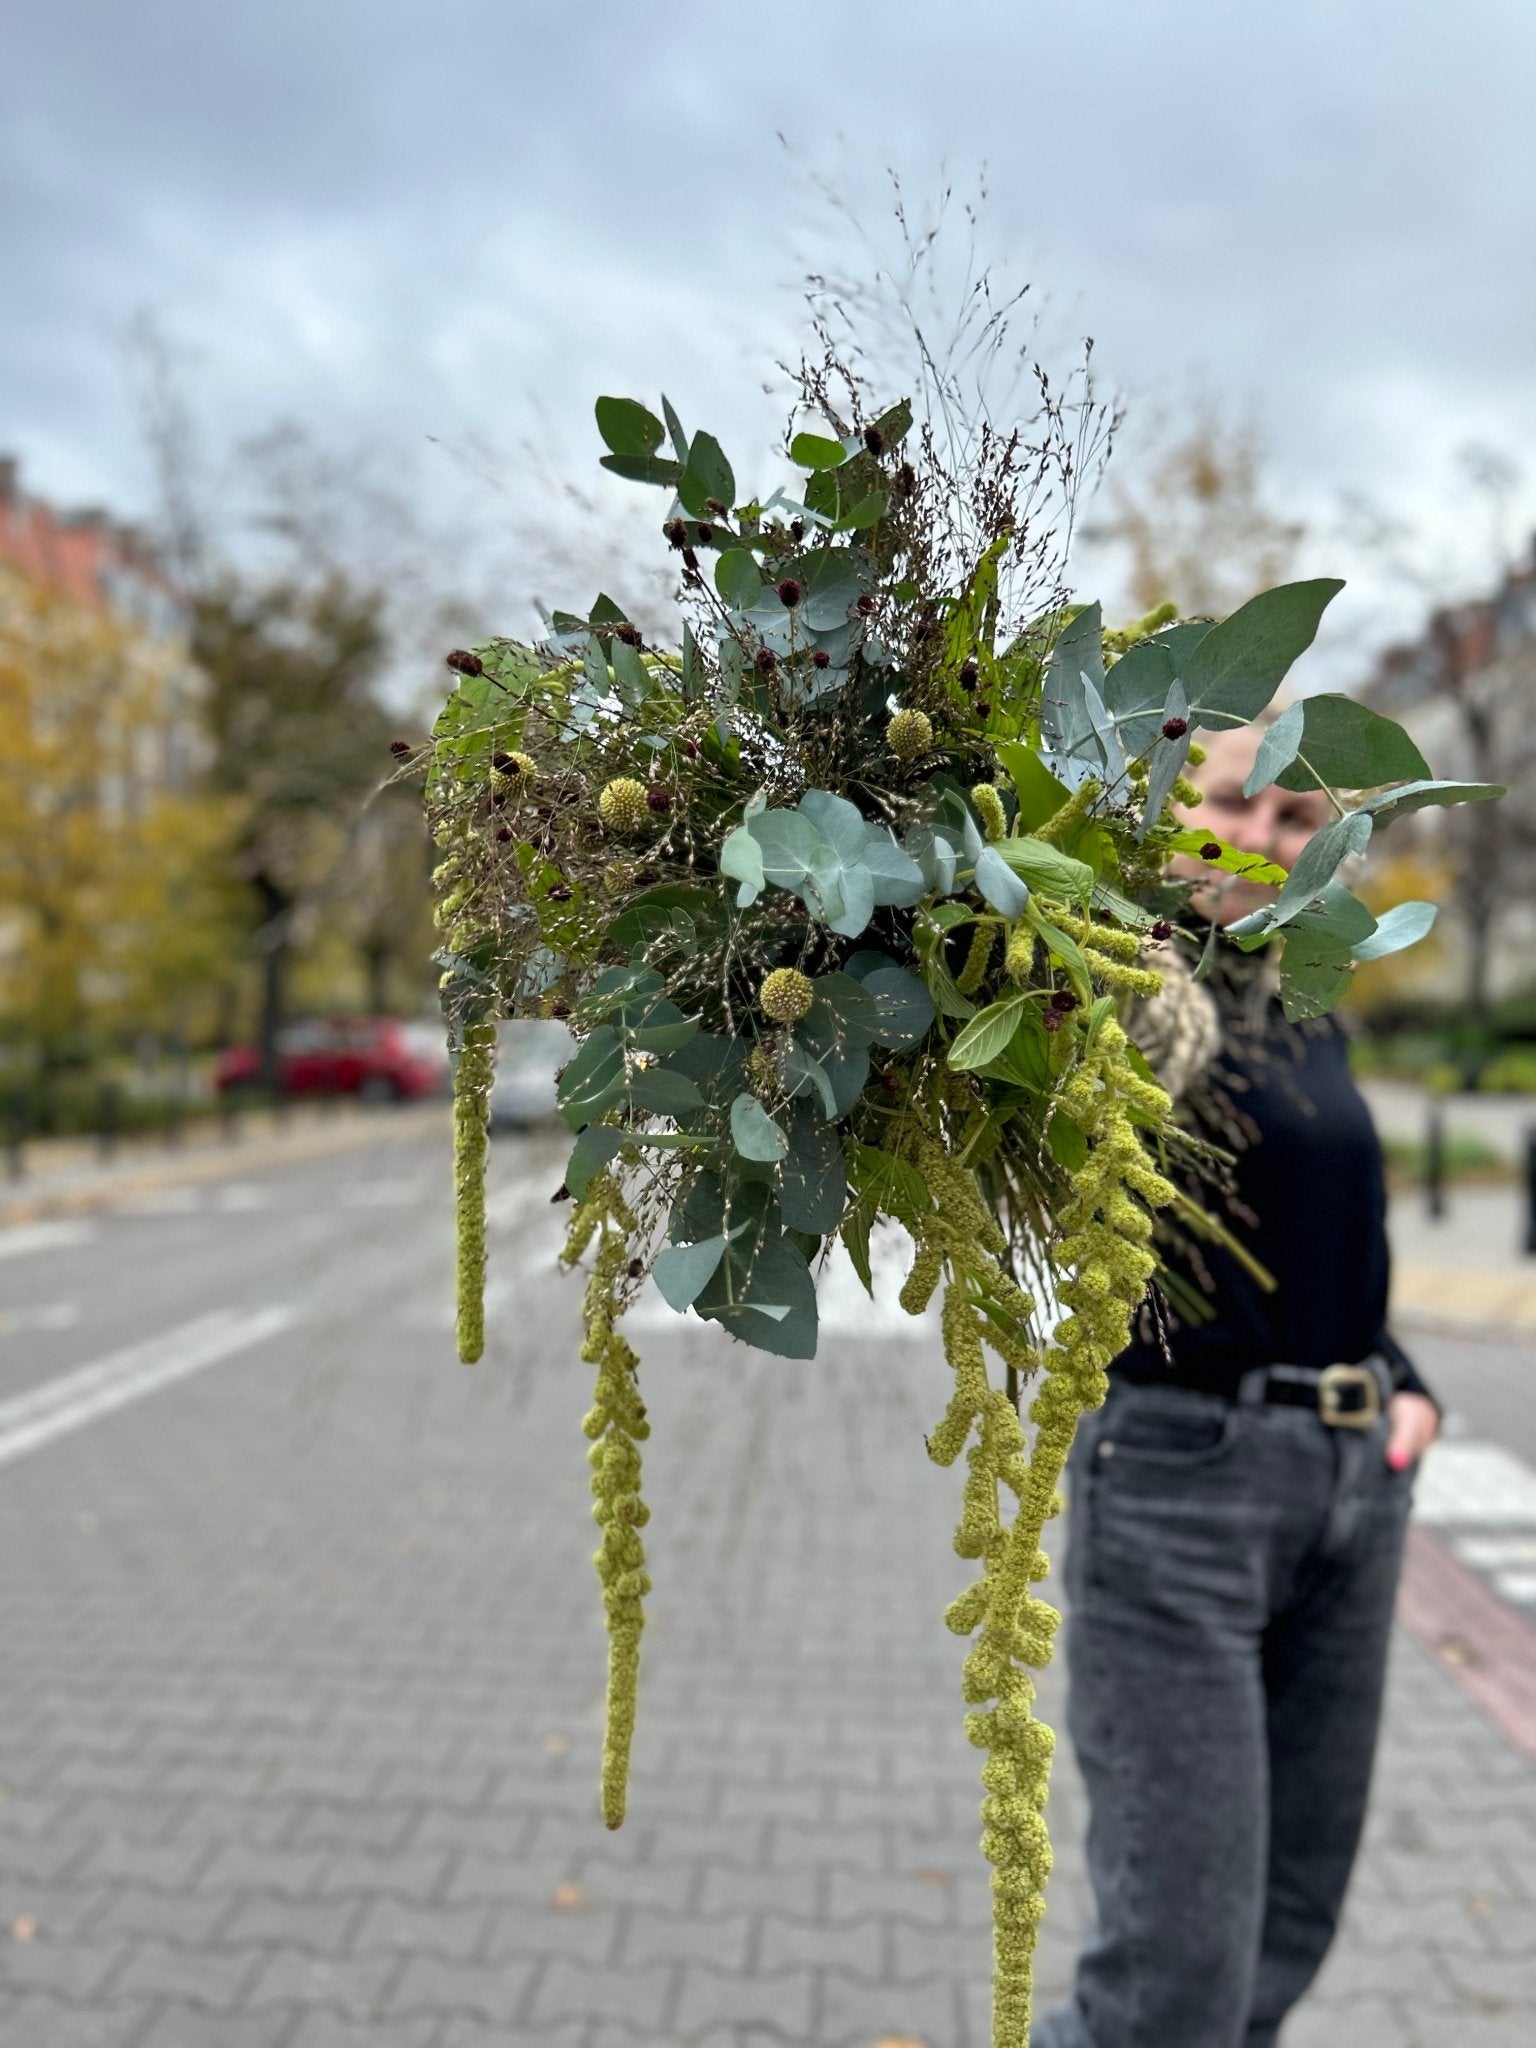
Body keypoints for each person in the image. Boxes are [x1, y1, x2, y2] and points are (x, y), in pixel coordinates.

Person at [1033, 721, 1441, 2048]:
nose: (1265, 838)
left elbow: (1320, 1229)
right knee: (1173, 1990)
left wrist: (1403, 1379)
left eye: (1294, 815)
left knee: (1279, 1942)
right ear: (1160, 821)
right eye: (1234, 806)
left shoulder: (1300, 999)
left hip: (1351, 1489)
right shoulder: (1112, 982)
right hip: (1180, 1490)